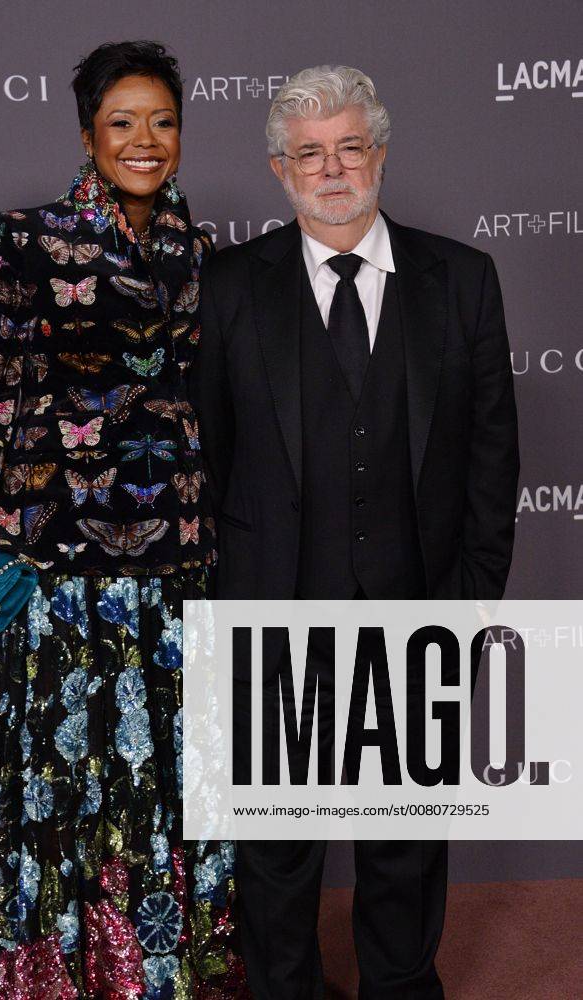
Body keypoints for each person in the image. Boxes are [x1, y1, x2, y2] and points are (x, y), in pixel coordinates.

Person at [190, 66, 519, 999]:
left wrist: (464, 606)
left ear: (378, 151)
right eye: (307, 153)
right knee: (278, 851)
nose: (330, 168)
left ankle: (401, 986)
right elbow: (203, 462)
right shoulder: (226, 287)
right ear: (276, 167)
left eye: (346, 146)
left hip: (418, 613)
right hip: (268, 615)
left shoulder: (462, 280)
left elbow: (494, 463)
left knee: (403, 843)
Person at [0, 40, 247, 999]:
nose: (144, 140)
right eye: (122, 122)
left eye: (162, 121)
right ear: (86, 134)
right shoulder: (29, 238)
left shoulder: (205, 255)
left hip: (185, 563)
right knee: (67, 783)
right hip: (64, 568)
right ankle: (63, 976)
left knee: (178, 782)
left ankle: (171, 971)